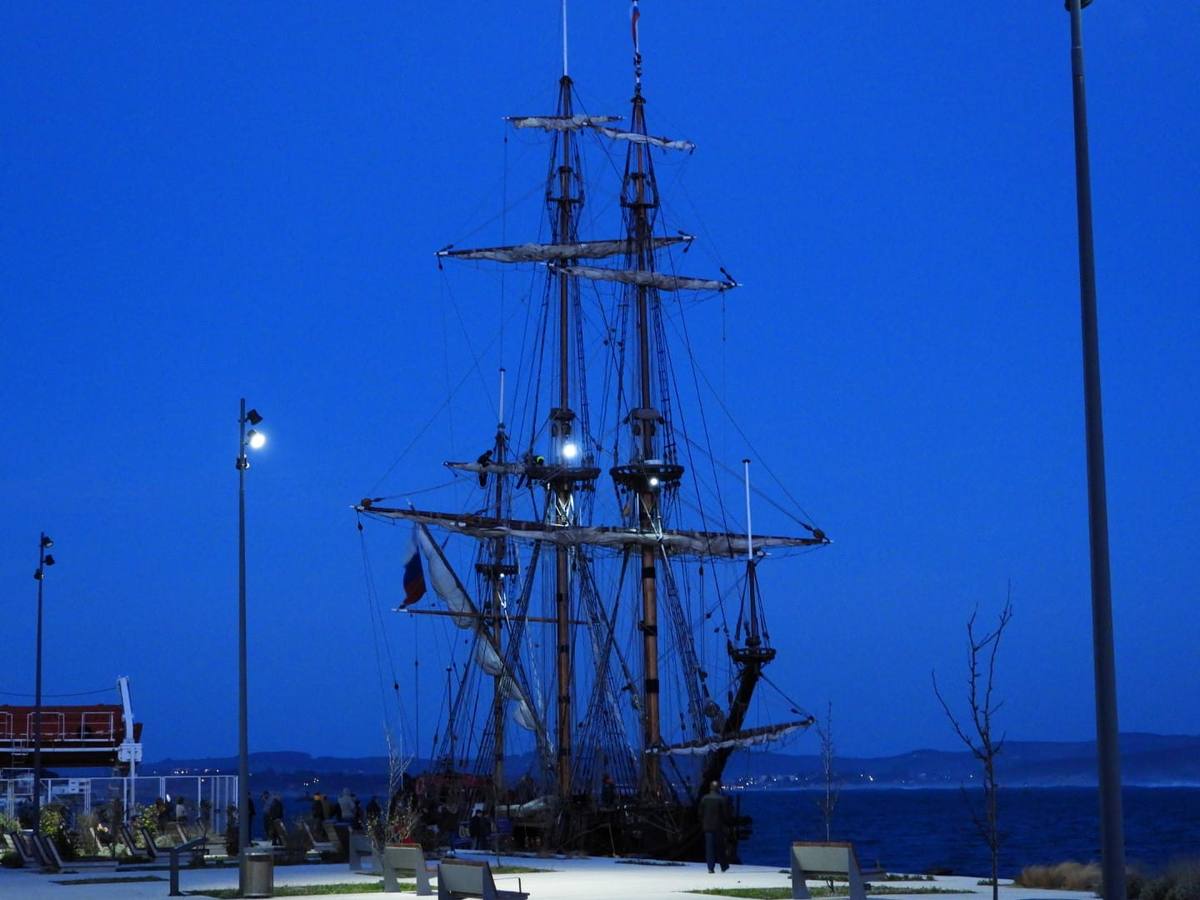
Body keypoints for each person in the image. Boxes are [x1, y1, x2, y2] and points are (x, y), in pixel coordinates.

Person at [699, 780, 730, 874]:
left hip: (707, 827)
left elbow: (700, 813)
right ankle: (723, 866)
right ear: (718, 788)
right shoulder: (721, 799)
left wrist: (703, 821)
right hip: (718, 827)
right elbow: (725, 815)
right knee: (720, 847)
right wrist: (727, 824)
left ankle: (710, 868)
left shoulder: (704, 798)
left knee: (709, 848)